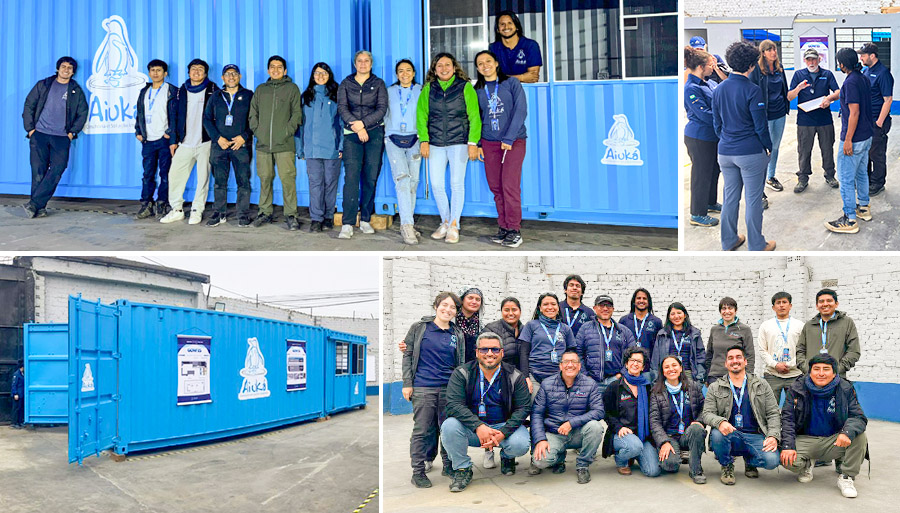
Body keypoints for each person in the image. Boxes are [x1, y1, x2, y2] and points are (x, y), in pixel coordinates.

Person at [441, 332, 531, 492]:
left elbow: (523, 408)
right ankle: (462, 469)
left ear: (502, 353)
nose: (489, 353)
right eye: (484, 350)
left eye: (495, 349)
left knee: (521, 444)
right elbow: (454, 405)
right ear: (477, 352)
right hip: (473, 428)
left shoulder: (515, 375)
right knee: (449, 426)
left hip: (502, 426)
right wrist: (478, 426)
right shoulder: (462, 373)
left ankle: (507, 456)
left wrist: (504, 432)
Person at [713, 41, 775, 251]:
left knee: (730, 198)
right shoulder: (752, 90)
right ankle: (757, 244)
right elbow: (760, 126)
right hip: (749, 153)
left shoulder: (719, 89)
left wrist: (727, 140)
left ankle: (729, 240)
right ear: (751, 65)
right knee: (753, 200)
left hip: (725, 152)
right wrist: (768, 147)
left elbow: (717, 124)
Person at [401, 291, 466, 488]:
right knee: (422, 430)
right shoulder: (420, 328)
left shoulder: (457, 334)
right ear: (436, 306)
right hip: (423, 388)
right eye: (444, 305)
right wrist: (407, 383)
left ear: (456, 312)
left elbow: (460, 362)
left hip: (449, 389)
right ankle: (418, 471)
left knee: (447, 428)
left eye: (453, 307)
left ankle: (448, 465)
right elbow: (408, 354)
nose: (448, 309)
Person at [780, 354, 868, 498]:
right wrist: (788, 446)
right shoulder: (796, 388)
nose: (821, 373)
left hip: (833, 440)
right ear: (810, 371)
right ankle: (808, 463)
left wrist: (846, 432)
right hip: (806, 438)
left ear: (834, 373)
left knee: (859, 436)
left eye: (826, 369)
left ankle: (846, 477)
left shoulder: (845, 388)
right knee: (786, 459)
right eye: (816, 369)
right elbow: (787, 418)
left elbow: (858, 417)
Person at [417, 53, 481, 243]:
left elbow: (474, 116)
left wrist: (472, 143)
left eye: (447, 65)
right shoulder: (428, 89)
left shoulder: (465, 87)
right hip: (435, 143)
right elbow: (421, 116)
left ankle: (454, 225)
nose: (443, 69)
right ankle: (445, 220)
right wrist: (424, 140)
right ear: (434, 70)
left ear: (454, 68)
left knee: (456, 184)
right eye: (439, 66)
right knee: (436, 184)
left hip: (459, 142)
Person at [701, 345, 781, 485]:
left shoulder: (761, 384)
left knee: (772, 461)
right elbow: (707, 413)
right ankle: (727, 465)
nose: (735, 361)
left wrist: (773, 435)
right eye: (730, 358)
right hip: (731, 434)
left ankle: (750, 461)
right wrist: (720, 422)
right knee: (717, 434)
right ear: (726, 363)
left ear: (745, 361)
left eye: (738, 357)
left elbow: (773, 413)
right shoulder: (715, 387)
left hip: (755, 435)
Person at [21, 56, 88, 218]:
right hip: (40, 135)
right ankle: (40, 207)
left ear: (73, 72)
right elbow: (29, 105)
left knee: (58, 168)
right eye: (63, 66)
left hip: (61, 137)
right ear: (58, 69)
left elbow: (82, 113)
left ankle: (34, 204)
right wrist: (30, 129)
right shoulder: (43, 85)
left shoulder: (75, 90)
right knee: (39, 171)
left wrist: (72, 133)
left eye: (70, 68)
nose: (66, 70)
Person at [474, 50, 528, 247]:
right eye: (480, 63)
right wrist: (479, 143)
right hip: (489, 143)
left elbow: (520, 110)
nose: (485, 65)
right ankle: (504, 227)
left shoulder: (511, 83)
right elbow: (477, 118)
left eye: (488, 61)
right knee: (496, 187)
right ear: (477, 68)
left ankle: (515, 229)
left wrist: (509, 137)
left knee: (510, 186)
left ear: (496, 63)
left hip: (513, 142)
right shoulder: (477, 89)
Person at [531, 349, 605, 484]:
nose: (570, 365)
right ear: (560, 365)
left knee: (595, 427)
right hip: (554, 433)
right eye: (566, 362)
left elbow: (599, 411)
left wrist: (572, 423)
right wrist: (540, 439)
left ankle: (583, 465)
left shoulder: (590, 384)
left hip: (578, 432)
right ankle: (559, 458)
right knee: (540, 461)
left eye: (574, 362)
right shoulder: (547, 384)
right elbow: (537, 414)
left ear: (579, 366)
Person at [160, 59, 219, 225]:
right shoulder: (181, 91)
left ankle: (196, 210)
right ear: (189, 72)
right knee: (175, 175)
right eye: (193, 69)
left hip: (205, 142)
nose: (197, 72)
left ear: (206, 73)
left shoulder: (213, 90)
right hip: (184, 142)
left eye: (201, 69)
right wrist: (173, 140)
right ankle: (177, 210)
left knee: (203, 178)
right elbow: (174, 116)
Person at [337, 50, 388, 239]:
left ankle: (365, 219)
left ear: (371, 63)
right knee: (351, 179)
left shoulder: (378, 83)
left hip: (374, 134)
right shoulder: (346, 83)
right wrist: (357, 127)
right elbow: (342, 107)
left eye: (367, 61)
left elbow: (382, 109)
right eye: (360, 61)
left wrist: (364, 125)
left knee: (370, 177)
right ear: (355, 63)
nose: (363, 64)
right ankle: (348, 223)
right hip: (352, 135)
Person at [249, 55, 303, 230]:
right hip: (263, 144)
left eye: (279, 67)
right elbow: (253, 114)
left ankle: (291, 215)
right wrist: (258, 132)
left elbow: (296, 114)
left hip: (284, 144)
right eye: (272, 67)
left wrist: (287, 132)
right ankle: (264, 212)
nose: (276, 70)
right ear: (268, 70)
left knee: (287, 179)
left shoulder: (292, 89)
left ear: (285, 71)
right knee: (265, 178)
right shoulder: (261, 90)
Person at [826, 47, 874, 234]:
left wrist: (847, 140)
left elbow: (854, 112)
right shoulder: (862, 78)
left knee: (845, 178)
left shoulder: (851, 82)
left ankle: (849, 219)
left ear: (843, 64)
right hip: (866, 136)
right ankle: (863, 207)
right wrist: (830, 98)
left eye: (839, 62)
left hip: (855, 138)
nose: (838, 65)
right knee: (861, 173)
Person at [202, 64, 254, 227]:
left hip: (241, 146)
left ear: (239, 77)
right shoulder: (216, 96)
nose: (231, 77)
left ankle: (243, 214)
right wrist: (218, 138)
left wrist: (244, 137)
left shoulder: (249, 95)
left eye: (234, 74)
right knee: (219, 181)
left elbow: (255, 119)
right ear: (223, 78)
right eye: (227, 74)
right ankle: (219, 213)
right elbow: (206, 119)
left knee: (243, 181)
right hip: (220, 146)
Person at [297, 62, 343, 233]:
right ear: (312, 75)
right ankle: (316, 218)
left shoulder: (337, 96)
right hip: (311, 149)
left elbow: (342, 122)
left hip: (332, 148)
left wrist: (341, 147)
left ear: (329, 75)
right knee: (315, 184)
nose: (320, 76)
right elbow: (300, 125)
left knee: (330, 183)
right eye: (317, 73)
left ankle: (329, 216)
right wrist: (300, 148)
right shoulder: (306, 97)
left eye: (324, 73)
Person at [789, 48, 840, 193]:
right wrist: (798, 88)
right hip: (805, 120)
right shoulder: (799, 75)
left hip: (824, 119)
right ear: (804, 61)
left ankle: (830, 175)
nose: (811, 62)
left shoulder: (827, 74)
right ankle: (803, 178)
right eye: (808, 59)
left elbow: (838, 92)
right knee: (804, 150)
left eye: (814, 59)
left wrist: (828, 99)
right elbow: (790, 97)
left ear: (819, 60)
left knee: (827, 148)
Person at [649, 355, 707, 484]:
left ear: (681, 368)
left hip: (688, 434)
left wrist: (700, 420)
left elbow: (705, 408)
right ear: (663, 372)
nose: (671, 369)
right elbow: (654, 421)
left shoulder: (693, 387)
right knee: (670, 465)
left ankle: (696, 471)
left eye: (674, 365)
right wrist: (663, 442)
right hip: (669, 436)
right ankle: (676, 453)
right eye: (667, 367)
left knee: (697, 428)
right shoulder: (656, 392)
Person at [601, 347, 658, 477]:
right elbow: (607, 413)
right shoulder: (615, 387)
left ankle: (634, 454)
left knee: (653, 471)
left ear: (643, 367)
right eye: (632, 360)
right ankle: (621, 460)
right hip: (620, 434)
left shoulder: (649, 388)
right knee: (634, 446)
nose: (635, 364)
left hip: (643, 436)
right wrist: (619, 427)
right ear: (626, 364)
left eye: (639, 361)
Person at [384, 59, 423, 244]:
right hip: (393, 139)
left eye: (408, 70)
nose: (405, 74)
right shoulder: (389, 91)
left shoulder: (421, 90)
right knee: (402, 179)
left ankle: (410, 223)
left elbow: (426, 114)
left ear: (414, 73)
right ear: (396, 74)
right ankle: (406, 226)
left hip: (415, 139)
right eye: (401, 71)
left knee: (413, 183)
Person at [684, 46, 721, 227]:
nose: (712, 68)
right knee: (701, 174)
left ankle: (710, 202)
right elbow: (704, 114)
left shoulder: (710, 83)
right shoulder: (691, 88)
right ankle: (697, 213)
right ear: (700, 66)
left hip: (713, 136)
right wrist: (725, 119)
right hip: (699, 138)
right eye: (710, 65)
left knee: (714, 170)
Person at [134, 59, 175, 219]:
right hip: (147, 140)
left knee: (165, 174)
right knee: (147, 174)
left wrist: (170, 132)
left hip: (164, 139)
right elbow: (139, 113)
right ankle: (146, 204)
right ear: (149, 73)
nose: (155, 73)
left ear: (165, 73)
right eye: (152, 70)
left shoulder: (171, 91)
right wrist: (138, 131)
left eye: (159, 70)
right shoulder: (144, 91)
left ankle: (162, 203)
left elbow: (177, 115)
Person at [749, 40, 790, 194]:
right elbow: (752, 92)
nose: (773, 52)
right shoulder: (756, 71)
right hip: (764, 114)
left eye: (774, 49)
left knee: (775, 147)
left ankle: (770, 176)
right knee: (763, 148)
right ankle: (759, 181)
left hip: (779, 113)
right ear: (763, 53)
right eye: (769, 50)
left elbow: (784, 89)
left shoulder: (779, 69)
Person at [575, 294, 636, 396]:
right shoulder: (585, 329)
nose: (605, 309)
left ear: (613, 309)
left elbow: (633, 354)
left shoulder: (623, 331)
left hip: (616, 380)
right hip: (593, 382)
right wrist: (586, 376)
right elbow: (578, 354)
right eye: (601, 305)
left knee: (616, 411)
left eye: (608, 306)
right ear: (595, 308)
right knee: (595, 410)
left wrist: (621, 374)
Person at [796, 289, 860, 380]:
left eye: (829, 301)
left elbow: (854, 351)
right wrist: (808, 369)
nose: (825, 304)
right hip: (811, 378)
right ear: (817, 306)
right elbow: (800, 350)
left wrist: (836, 370)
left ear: (836, 304)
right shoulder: (809, 325)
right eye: (821, 301)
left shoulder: (847, 323)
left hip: (837, 378)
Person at [518, 293, 577, 389]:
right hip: (534, 376)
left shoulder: (565, 329)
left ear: (558, 307)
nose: (550, 307)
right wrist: (526, 377)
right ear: (540, 308)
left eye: (553, 304)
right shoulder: (531, 325)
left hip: (559, 378)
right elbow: (523, 353)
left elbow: (572, 354)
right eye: (545, 304)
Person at [757, 291, 803, 405]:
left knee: (796, 408)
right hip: (772, 374)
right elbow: (762, 350)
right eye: (778, 303)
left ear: (790, 305)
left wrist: (790, 365)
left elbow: (803, 350)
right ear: (773, 307)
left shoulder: (800, 325)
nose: (781, 305)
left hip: (795, 374)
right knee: (770, 408)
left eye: (784, 302)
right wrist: (775, 365)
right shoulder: (765, 325)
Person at [859, 43, 894, 196]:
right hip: (866, 120)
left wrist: (879, 122)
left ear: (872, 56)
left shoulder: (883, 73)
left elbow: (888, 99)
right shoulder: (866, 71)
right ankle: (866, 179)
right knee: (865, 152)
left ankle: (878, 183)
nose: (861, 57)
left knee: (876, 153)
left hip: (877, 121)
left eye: (863, 55)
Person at [650, 302, 706, 383]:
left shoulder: (694, 334)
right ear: (669, 317)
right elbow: (655, 360)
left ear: (685, 315)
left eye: (679, 313)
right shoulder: (662, 334)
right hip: (669, 374)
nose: (676, 316)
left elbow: (701, 357)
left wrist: (699, 379)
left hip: (689, 374)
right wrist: (656, 380)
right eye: (673, 314)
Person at [704, 297, 754, 384]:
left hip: (736, 375)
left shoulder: (744, 329)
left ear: (735, 310)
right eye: (724, 309)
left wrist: (748, 376)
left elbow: (750, 355)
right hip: (715, 376)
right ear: (720, 312)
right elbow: (709, 355)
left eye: (730, 308)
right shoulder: (714, 329)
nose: (727, 311)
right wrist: (707, 376)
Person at [488, 10, 542, 83]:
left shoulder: (530, 45)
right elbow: (491, 76)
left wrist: (504, 78)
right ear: (498, 29)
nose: (506, 27)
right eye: (502, 24)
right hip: (502, 91)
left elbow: (533, 77)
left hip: (527, 90)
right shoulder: (493, 48)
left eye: (510, 23)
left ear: (517, 27)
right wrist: (522, 77)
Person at [619, 288, 663, 373]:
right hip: (628, 368)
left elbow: (659, 347)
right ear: (634, 301)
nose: (641, 301)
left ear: (649, 301)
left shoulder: (656, 322)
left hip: (648, 369)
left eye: (644, 298)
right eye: (639, 298)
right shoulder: (624, 320)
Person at [10, 362, 25, 429]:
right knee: (16, 409)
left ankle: (19, 422)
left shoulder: (22, 374)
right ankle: (14, 423)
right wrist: (15, 393)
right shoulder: (16, 374)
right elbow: (14, 385)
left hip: (21, 394)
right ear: (22, 367)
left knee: (20, 408)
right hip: (17, 395)